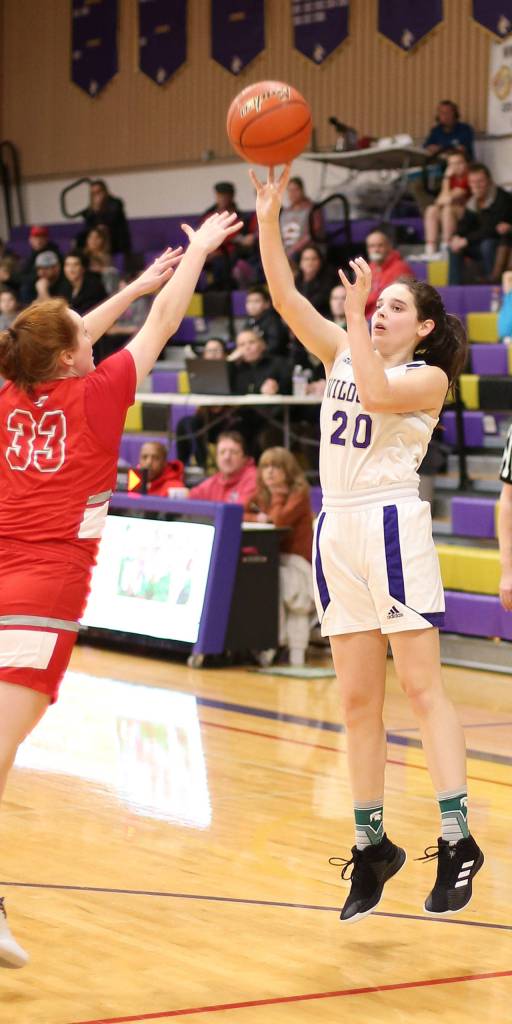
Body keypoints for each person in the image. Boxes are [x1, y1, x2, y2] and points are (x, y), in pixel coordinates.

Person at [0, 208, 242, 968]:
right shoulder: (99, 396)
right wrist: (197, 253)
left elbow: (64, 340)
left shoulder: (14, 389)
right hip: (44, 589)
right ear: (74, 358)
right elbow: (166, 324)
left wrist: (133, 286)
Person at [250, 163, 483, 924]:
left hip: (389, 522)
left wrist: (351, 315)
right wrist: (267, 212)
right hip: (335, 526)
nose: (376, 313)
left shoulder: (425, 379)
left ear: (419, 327)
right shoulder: (342, 350)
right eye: (373, 305)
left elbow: (377, 394)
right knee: (355, 701)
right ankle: (373, 843)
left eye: (391, 307)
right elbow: (284, 298)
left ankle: (456, 838)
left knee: (421, 690)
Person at [245, 447, 315, 667]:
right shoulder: (260, 494)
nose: (270, 472)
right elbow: (240, 512)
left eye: (276, 467)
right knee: (263, 580)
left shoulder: (298, 493)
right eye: (265, 466)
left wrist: (276, 496)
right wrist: (258, 518)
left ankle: (283, 650)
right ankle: (268, 645)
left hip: (299, 562)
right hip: (274, 560)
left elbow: (278, 521)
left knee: (287, 587)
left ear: (288, 470)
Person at [449, 164, 512, 284]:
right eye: (472, 182)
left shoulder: (502, 199)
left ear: (489, 181)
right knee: (453, 247)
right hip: (478, 241)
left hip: (500, 243)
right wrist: (457, 236)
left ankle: (492, 283)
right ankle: (454, 286)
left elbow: (492, 229)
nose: (476, 185)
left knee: (487, 244)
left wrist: (466, 240)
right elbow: (464, 225)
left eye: (480, 181)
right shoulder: (472, 202)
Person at [422, 150, 470, 259]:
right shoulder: (450, 179)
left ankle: (446, 246)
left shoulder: (468, 177)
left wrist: (446, 180)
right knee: (431, 210)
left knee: (447, 209)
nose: (456, 167)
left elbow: (448, 199)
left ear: (466, 163)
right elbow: (438, 201)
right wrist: (446, 178)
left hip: (467, 213)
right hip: (451, 210)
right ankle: (430, 248)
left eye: (459, 163)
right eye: (452, 164)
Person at [187, 431, 257, 503]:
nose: (227, 457)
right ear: (217, 457)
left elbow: (239, 511)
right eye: (222, 452)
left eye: (233, 452)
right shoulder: (215, 481)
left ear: (244, 457)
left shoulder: (254, 478)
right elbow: (190, 497)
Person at [365, 230, 413, 319]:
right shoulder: (369, 268)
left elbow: (392, 298)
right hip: (369, 317)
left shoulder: (400, 268)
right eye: (372, 246)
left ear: (389, 247)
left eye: (380, 245)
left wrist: (368, 299)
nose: (376, 250)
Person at [76, 179, 131, 255]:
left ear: (105, 191)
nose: (97, 196)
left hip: (115, 239)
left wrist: (98, 209)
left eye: (99, 192)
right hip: (97, 237)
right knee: (81, 238)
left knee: (102, 232)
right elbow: (88, 226)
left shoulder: (116, 203)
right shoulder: (90, 210)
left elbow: (112, 221)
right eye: (93, 194)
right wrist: (95, 210)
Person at [280, 176, 323, 263]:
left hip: (305, 250)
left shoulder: (313, 209)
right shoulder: (284, 212)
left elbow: (312, 234)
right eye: (290, 190)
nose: (292, 193)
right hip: (285, 250)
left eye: (295, 190)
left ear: (302, 190)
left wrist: (293, 250)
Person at [243, 285, 290, 357]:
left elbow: (275, 346)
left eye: (256, 301)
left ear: (267, 304)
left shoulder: (273, 321)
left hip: (276, 360)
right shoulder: (249, 321)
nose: (252, 305)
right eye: (249, 301)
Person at [83, 226, 120, 295]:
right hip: (87, 285)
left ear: (102, 240)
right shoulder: (83, 256)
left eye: (97, 238)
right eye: (90, 237)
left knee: (111, 272)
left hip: (103, 285)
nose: (93, 240)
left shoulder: (107, 257)